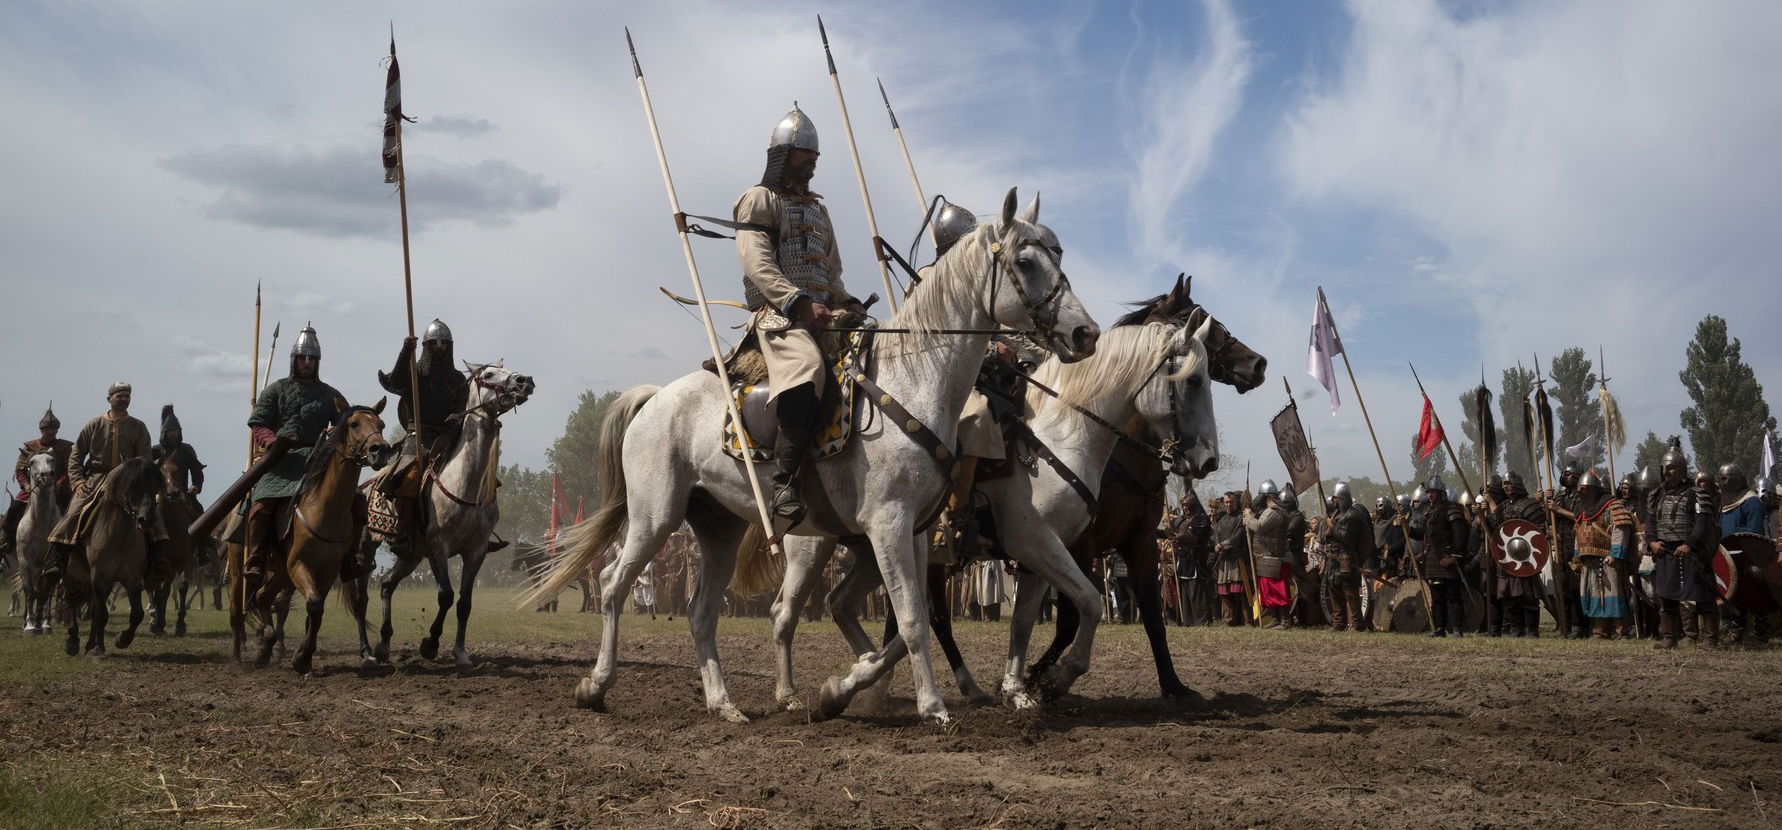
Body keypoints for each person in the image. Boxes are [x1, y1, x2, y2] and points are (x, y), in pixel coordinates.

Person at [733, 104, 868, 526]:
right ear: (782, 155)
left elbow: (831, 272)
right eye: (804, 153)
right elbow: (756, 263)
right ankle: (786, 480)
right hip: (777, 317)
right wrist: (797, 302)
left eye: (816, 155)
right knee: (807, 366)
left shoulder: (819, 210)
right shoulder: (759, 199)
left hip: (821, 315)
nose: (813, 161)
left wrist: (847, 304)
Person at [243, 325, 351, 591]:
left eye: (311, 359)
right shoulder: (276, 390)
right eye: (302, 358)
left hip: (318, 458)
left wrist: (333, 432)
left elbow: (347, 426)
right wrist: (272, 441)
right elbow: (258, 424)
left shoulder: (330, 394)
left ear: (317, 362)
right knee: (260, 505)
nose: (307, 363)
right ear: (294, 360)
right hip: (281, 459)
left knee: (354, 500)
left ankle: (351, 558)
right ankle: (256, 558)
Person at [45, 382, 162, 582]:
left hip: (128, 482)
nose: (124, 399)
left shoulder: (138, 426)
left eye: (127, 396)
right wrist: (78, 481)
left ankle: (158, 561)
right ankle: (57, 560)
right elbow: (76, 455)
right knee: (74, 511)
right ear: (109, 398)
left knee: (152, 514)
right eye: (119, 395)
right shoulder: (94, 424)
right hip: (96, 480)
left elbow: (145, 458)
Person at [1643, 440, 1715, 649]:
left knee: (1703, 595)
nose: (1669, 472)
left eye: (1673, 467)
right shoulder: (1656, 495)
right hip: (1665, 551)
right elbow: (1650, 523)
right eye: (1666, 468)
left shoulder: (1697, 494)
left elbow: (1702, 524)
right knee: (1666, 597)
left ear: (1682, 469)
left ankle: (1709, 638)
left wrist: (1690, 544)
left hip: (1691, 552)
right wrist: (1651, 541)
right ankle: (1669, 637)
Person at [1566, 469, 1635, 638]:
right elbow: (1579, 533)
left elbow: (1621, 529)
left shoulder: (1612, 505)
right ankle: (1599, 631)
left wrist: (1616, 554)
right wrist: (1577, 557)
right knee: (1594, 595)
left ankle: (1622, 631)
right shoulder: (1582, 510)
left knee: (1614, 595)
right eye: (1580, 489)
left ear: (1594, 489)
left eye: (1585, 489)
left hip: (1608, 558)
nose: (1582, 492)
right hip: (1588, 559)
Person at [3, 405, 74, 563]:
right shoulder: (29, 447)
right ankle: (5, 543)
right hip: (32, 488)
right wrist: (26, 486)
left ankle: (71, 549)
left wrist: (59, 484)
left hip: (58, 489)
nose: (50, 432)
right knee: (13, 509)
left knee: (73, 512)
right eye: (47, 429)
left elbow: (69, 470)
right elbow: (20, 470)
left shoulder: (65, 447)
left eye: (53, 429)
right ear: (41, 430)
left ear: (57, 430)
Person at [1407, 475, 1467, 637]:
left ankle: (1456, 629)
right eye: (1428, 492)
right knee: (1437, 596)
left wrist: (1454, 556)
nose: (1430, 495)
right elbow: (1419, 534)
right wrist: (1406, 527)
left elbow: (1460, 535)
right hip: (1432, 560)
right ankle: (1439, 628)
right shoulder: (1429, 512)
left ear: (1441, 492)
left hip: (1448, 558)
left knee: (1453, 596)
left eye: (1433, 491)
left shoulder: (1451, 509)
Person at [1322, 482, 1372, 631]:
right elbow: (1326, 537)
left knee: (1350, 593)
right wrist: (1327, 532)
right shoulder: (1335, 515)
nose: (1333, 501)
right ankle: (1338, 623)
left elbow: (1347, 537)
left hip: (1347, 560)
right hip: (1333, 559)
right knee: (1334, 590)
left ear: (1342, 498)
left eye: (1335, 498)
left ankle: (1357, 624)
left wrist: (1332, 528)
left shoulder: (1353, 515)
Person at [1242, 481, 1292, 629]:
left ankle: (1285, 621)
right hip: (1266, 557)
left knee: (1278, 591)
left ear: (1268, 497)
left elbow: (1259, 526)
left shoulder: (1274, 511)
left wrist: (1249, 517)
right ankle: (1275, 619)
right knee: (1267, 592)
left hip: (1275, 558)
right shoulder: (1268, 511)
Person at [1169, 491, 1214, 625]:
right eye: (1183, 505)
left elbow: (1194, 537)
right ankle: (1187, 620)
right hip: (1182, 559)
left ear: (1194, 505)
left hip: (1195, 558)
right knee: (1184, 592)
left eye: (1188, 505)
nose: (1185, 508)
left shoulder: (1201, 519)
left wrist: (1176, 537)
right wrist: (1164, 532)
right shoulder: (1182, 520)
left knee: (1196, 591)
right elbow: (1172, 533)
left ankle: (1201, 620)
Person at [1211, 491, 1249, 626]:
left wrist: (1223, 545)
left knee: (1240, 591)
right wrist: (1217, 544)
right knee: (1224, 592)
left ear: (1236, 502)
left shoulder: (1241, 518)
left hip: (1236, 558)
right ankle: (1229, 620)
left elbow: (1238, 536)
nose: (1228, 504)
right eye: (1226, 502)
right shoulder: (1222, 519)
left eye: (1231, 502)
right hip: (1223, 558)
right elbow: (1216, 533)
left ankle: (1246, 620)